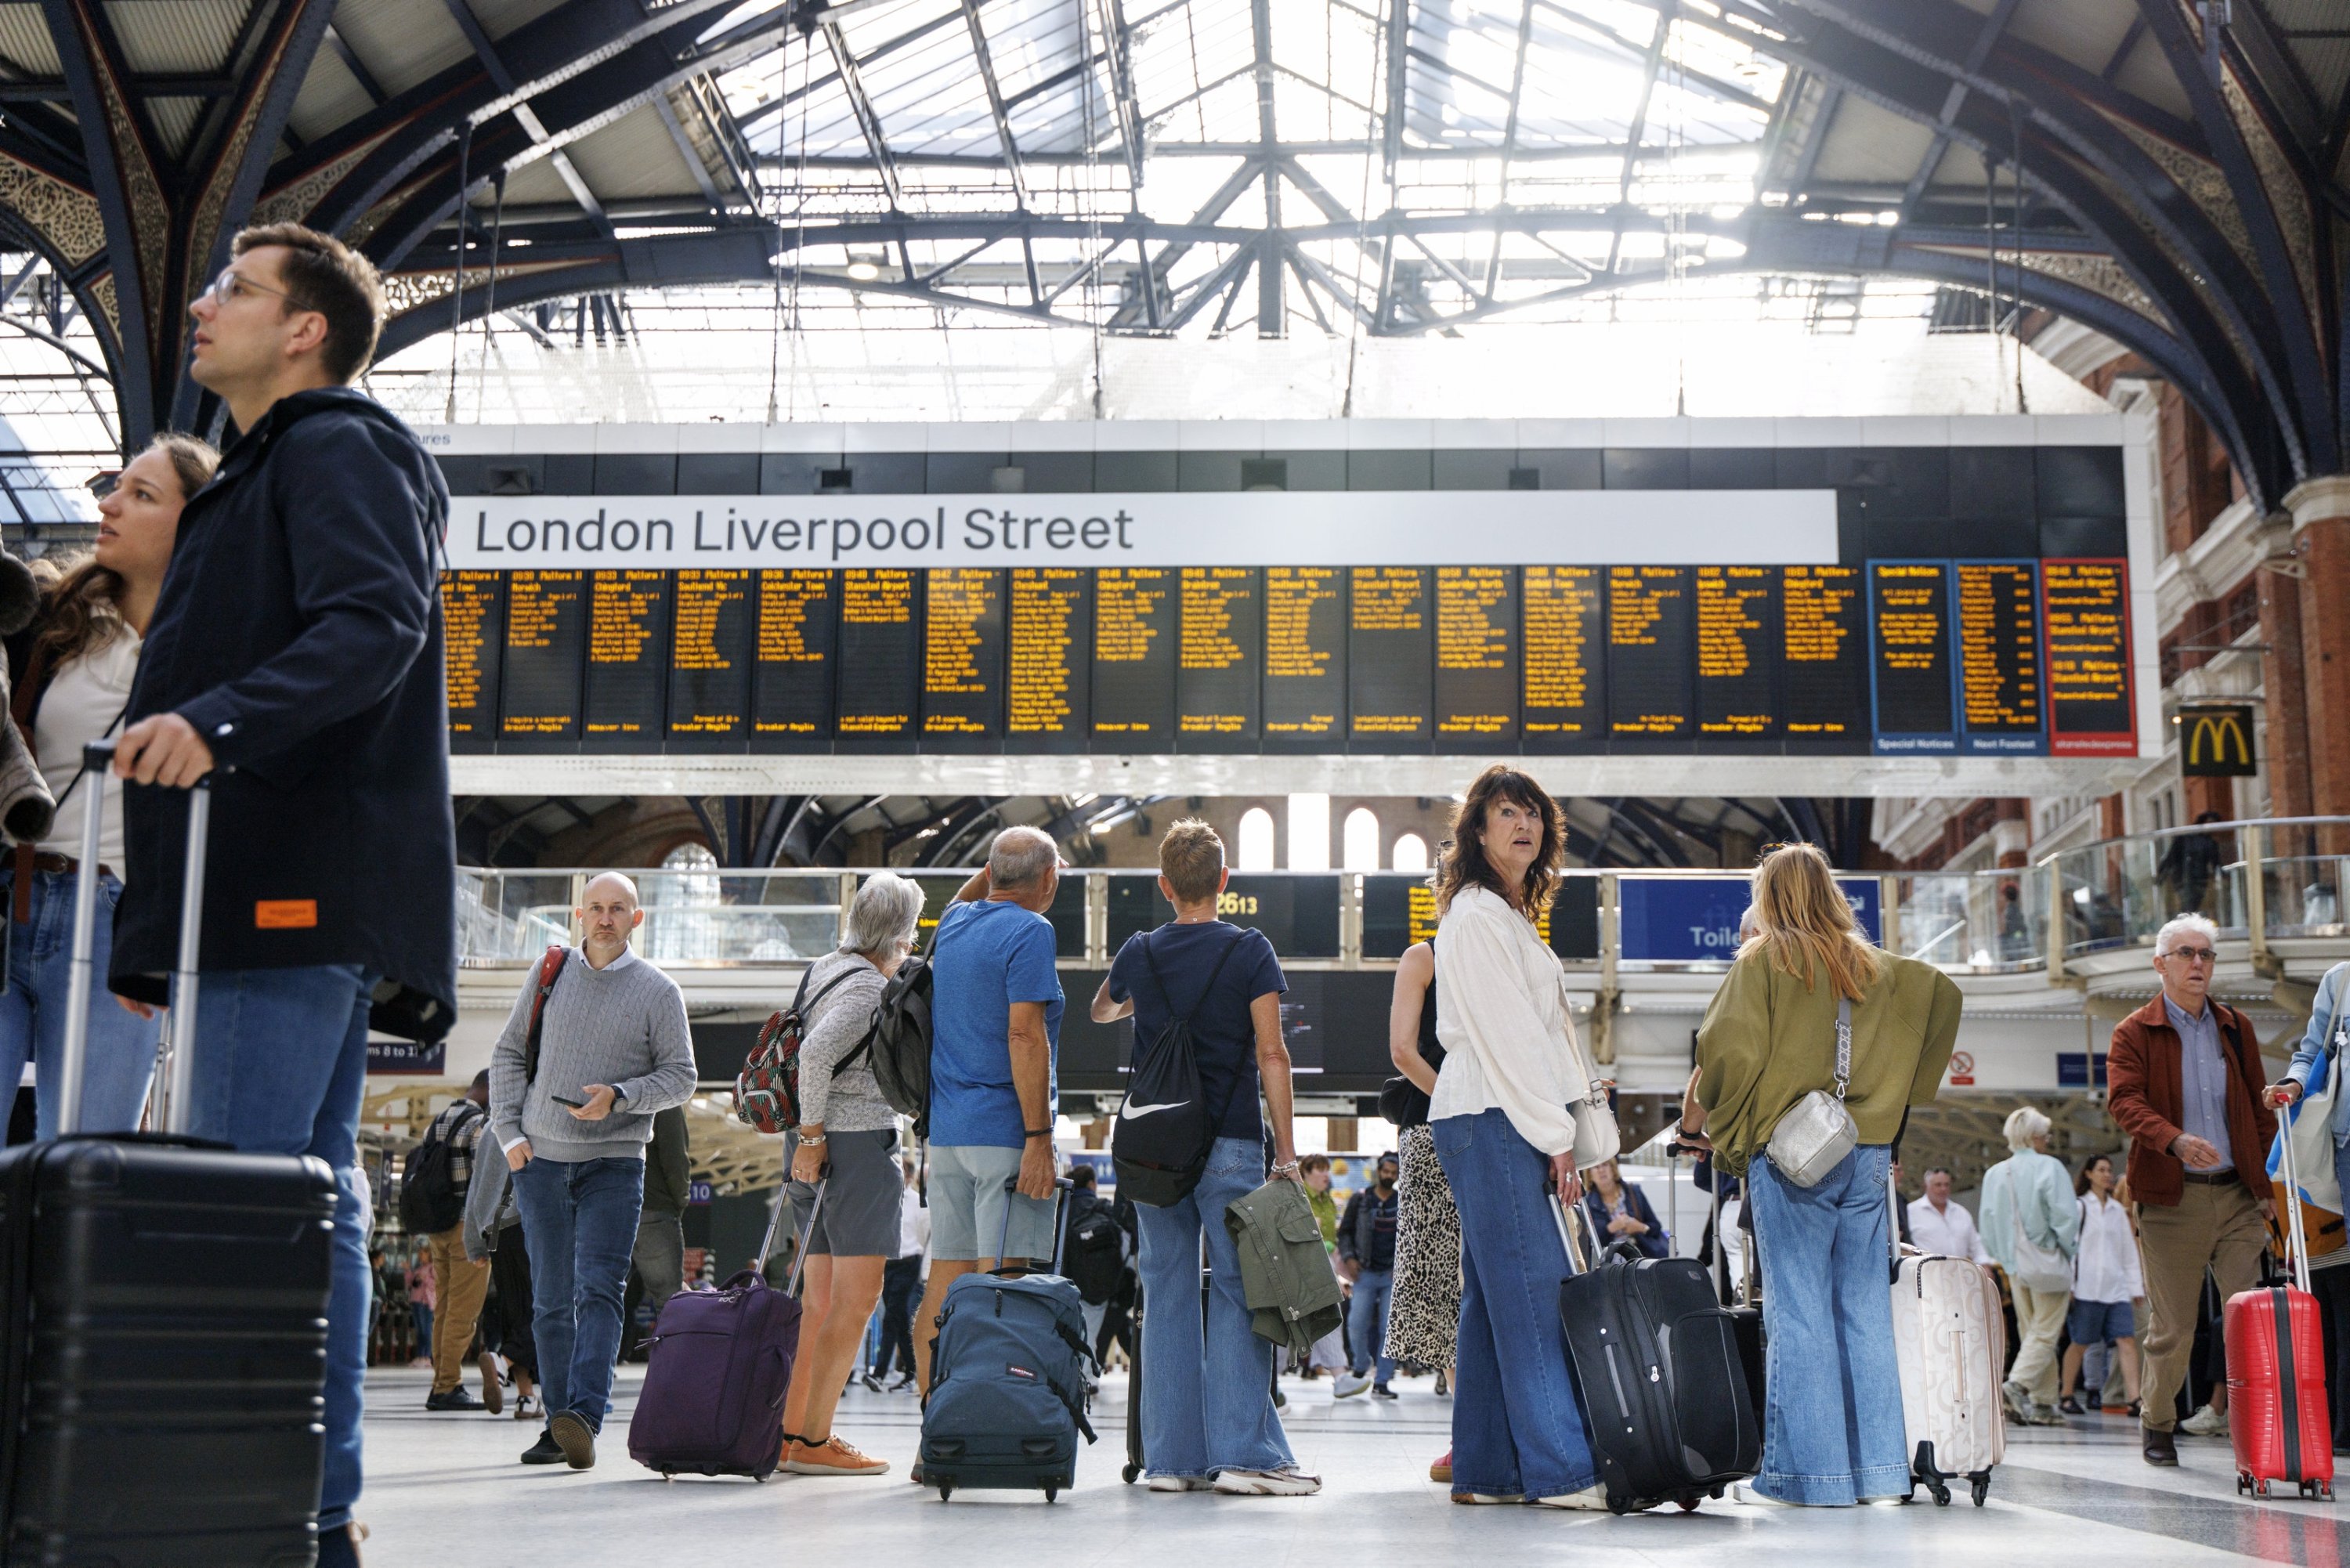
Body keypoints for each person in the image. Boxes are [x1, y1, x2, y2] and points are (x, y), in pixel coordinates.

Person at [103, 222, 456, 1566]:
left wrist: (220, 724)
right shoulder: (264, 473)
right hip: (266, 881)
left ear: (304, 328)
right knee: (307, 1203)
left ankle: (242, 1508)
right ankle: (305, 1510)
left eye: (233, 289)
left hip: (286, 880)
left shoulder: (335, 447)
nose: (202, 306)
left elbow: (373, 624)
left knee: (250, 1206)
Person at [1696, 841, 1961, 1506]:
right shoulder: (1884, 969)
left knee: (1801, 1314)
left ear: (1771, 896)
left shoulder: (1765, 961)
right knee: (1865, 1312)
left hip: (1792, 1155)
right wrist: (1897, 1095)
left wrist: (1733, 1129)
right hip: (1868, 1155)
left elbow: (1724, 1053)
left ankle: (1806, 1477)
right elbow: (1946, 999)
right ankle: (1879, 1477)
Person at [1091, 818, 1314, 1495]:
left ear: (1164, 885)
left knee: (1166, 1294)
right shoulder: (1251, 950)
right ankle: (1243, 1454)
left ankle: (1171, 1462)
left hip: (1156, 1150)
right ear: (1223, 881)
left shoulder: (1139, 949)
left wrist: (1151, 1000)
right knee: (1243, 1291)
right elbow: (1273, 1053)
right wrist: (1290, 1152)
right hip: (1232, 1144)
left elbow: (1103, 1010)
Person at [0, 434, 213, 1137]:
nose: (110, 503)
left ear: (194, 523)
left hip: (119, 921)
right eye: (114, 487)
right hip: (10, 896)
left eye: (141, 494)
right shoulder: (47, 616)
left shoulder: (217, 654)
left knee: (83, 1161)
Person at [1429, 765, 1609, 1509]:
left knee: (1495, 1301)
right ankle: (1562, 1470)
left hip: (1491, 1115)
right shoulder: (1474, 916)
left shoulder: (1503, 916)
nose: (1522, 824)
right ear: (1478, 831)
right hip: (1493, 1114)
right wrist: (1555, 1133)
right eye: (1505, 813)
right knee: (1534, 1293)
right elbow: (1510, 1038)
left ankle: (1487, 1469)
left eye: (1532, 813)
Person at [490, 871, 696, 1471]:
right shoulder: (548, 974)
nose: (606, 918)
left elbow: (681, 1076)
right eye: (596, 908)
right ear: (580, 916)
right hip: (541, 1162)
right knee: (550, 1299)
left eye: (618, 909)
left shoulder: (659, 992)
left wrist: (622, 1095)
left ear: (638, 919)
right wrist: (508, 1134)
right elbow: (507, 1054)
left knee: (599, 1291)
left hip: (615, 1162)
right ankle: (558, 1423)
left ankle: (583, 1415)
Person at [2107, 912, 2277, 1467]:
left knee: (2247, 1316)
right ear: (2161, 965)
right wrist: (2174, 1140)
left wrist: (2268, 1186)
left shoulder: (2236, 1027)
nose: (2198, 963)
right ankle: (2158, 1424)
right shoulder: (2135, 1031)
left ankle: (2255, 1428)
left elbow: (2257, 1106)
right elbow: (2125, 1103)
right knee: (2175, 1325)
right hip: (2171, 1199)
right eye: (2186, 953)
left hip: (2236, 1197)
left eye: (2206, 954)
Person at [913, 826, 1067, 1396]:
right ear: (1048, 879)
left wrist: (999, 863)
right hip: (1006, 1135)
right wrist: (1040, 1137)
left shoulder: (954, 924)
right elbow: (1025, 1036)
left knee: (946, 1281)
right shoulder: (1031, 930)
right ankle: (986, 1422)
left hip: (948, 1138)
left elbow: (968, 890)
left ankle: (937, 1424)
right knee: (1003, 1285)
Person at [779, 870, 924, 1477]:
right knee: (858, 1300)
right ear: (897, 933)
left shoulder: (823, 969)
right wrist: (815, 1136)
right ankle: (815, 1441)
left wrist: (807, 1139)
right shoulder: (866, 988)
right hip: (855, 1147)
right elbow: (813, 1057)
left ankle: (792, 1435)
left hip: (814, 1147)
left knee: (820, 1303)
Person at [2261, 957, 2349, 1451]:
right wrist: (2294, 1085)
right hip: (2343, 1149)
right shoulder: (2340, 981)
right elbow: (2311, 1051)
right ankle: (2339, 1431)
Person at [1383, 937, 1462, 1482]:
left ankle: (1486, 1426)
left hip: (1496, 1125)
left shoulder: (1499, 947)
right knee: (1438, 1279)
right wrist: (1459, 1101)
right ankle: (1469, 1430)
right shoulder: (1423, 957)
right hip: (1436, 1129)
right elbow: (1403, 1051)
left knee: (1481, 1279)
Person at [1978, 1106, 2081, 1426]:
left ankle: (2044, 1403)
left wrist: (2003, 1258)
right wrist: (2067, 1250)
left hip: (2013, 1264)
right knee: (2046, 1332)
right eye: (2046, 1135)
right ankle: (2017, 1385)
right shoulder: (2050, 1168)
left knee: (2032, 1331)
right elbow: (2065, 1217)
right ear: (2037, 1137)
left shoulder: (1996, 1173)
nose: (2048, 1141)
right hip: (2046, 1259)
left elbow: (1987, 1222)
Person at [419, 1071, 498, 1411]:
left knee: (445, 1308)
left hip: (437, 1227)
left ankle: (441, 1383)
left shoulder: (437, 1121)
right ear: (490, 1089)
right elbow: (485, 1180)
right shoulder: (480, 1124)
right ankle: (448, 1386)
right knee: (464, 1313)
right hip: (467, 1228)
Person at [2062, 1153, 2142, 1416]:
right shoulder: (2078, 1207)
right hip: (2086, 1288)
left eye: (2109, 1170)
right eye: (2101, 1170)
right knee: (2081, 1343)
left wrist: (2135, 1287)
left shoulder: (2118, 1211)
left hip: (2116, 1288)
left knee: (2126, 1340)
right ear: (2088, 1174)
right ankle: (2067, 1394)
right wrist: (2070, 1285)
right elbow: (2070, 1248)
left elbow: (2128, 1251)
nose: (2107, 1174)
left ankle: (2135, 1398)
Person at [624, 1106, 691, 1356]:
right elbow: (676, 1157)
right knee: (669, 1304)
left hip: (608, 1210)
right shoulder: (666, 1093)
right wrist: (679, 1202)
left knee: (600, 1299)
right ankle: (671, 1382)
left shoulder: (606, 1079)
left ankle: (585, 1388)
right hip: (654, 1208)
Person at [1335, 1152, 1401, 1399]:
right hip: (1364, 1272)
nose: (1389, 1177)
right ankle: (1361, 1365)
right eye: (1386, 1172)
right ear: (1379, 1171)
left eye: (1394, 1174)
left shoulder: (1402, 1201)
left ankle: (1382, 1380)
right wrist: (1350, 1257)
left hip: (1392, 1274)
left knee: (1389, 1328)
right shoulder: (1361, 1200)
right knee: (1356, 1324)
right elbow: (1345, 1233)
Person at [868, 1158, 927, 1391]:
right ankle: (911, 1372)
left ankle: (880, 1373)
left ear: (910, 1177)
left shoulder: (918, 1202)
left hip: (909, 1263)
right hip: (887, 1263)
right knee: (901, 1319)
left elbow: (924, 1234)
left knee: (891, 1316)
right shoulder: (885, 1198)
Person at [1296, 1154, 1346, 1378]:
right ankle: (1272, 1383)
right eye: (1319, 1169)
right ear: (1305, 1173)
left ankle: (1338, 1374)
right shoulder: (1297, 1197)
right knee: (1286, 1324)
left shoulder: (1327, 1201)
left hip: (1323, 1265)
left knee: (1329, 1315)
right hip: (1299, 1266)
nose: (1326, 1174)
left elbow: (1330, 1241)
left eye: (1327, 1169)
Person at [1580, 1160, 1668, 1261]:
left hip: (1641, 1256)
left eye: (1605, 1165)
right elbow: (1587, 1244)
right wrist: (1609, 1229)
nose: (1601, 1170)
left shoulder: (1634, 1192)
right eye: (1596, 1167)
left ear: (1613, 1169)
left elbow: (1656, 1226)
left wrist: (1641, 1227)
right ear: (1589, 1175)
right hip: (1609, 1262)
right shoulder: (1587, 1203)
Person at [1907, 1167, 1994, 1265]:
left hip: (1960, 1274)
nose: (1943, 1189)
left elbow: (1976, 1245)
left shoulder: (1961, 1212)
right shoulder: (1911, 1212)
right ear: (1926, 1186)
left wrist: (1985, 1264)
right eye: (1938, 1185)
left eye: (1946, 1185)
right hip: (1927, 1275)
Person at [2156, 814, 2225, 916]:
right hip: (2183, 878)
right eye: (2209, 823)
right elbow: (2171, 856)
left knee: (2192, 905)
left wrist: (2222, 875)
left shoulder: (2210, 843)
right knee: (2188, 904)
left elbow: (2216, 863)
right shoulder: (2185, 838)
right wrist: (2161, 874)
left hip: (2199, 879)